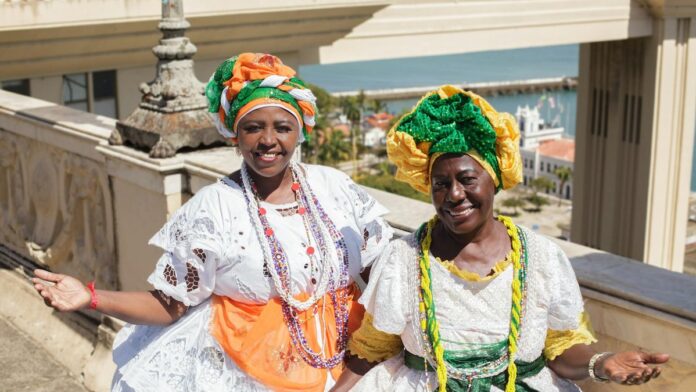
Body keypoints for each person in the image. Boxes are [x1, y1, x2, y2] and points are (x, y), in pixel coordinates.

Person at [31, 53, 393, 392]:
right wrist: (90, 297)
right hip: (248, 368)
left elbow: (387, 270)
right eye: (253, 128)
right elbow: (169, 304)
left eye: (282, 126)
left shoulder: (335, 188)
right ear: (235, 136)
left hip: (350, 362)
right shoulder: (214, 209)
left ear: (301, 132)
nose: (268, 140)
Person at [331, 85, 669, 391]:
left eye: (467, 179)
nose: (454, 194)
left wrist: (602, 363)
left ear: (495, 179)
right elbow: (376, 345)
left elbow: (560, 347)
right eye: (441, 184)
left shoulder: (541, 258)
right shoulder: (404, 259)